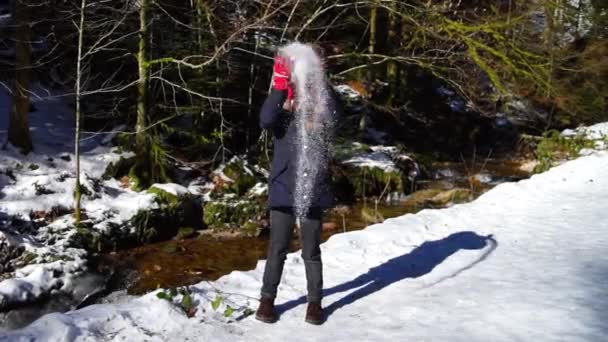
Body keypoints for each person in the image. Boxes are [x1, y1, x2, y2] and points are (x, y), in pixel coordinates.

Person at [255, 52, 337, 325]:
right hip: (282, 190)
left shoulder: (319, 109)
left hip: (312, 190)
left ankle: (314, 303)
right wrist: (279, 86)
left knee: (311, 250)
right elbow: (266, 119)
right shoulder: (281, 115)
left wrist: (320, 83)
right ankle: (267, 300)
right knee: (277, 247)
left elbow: (337, 116)